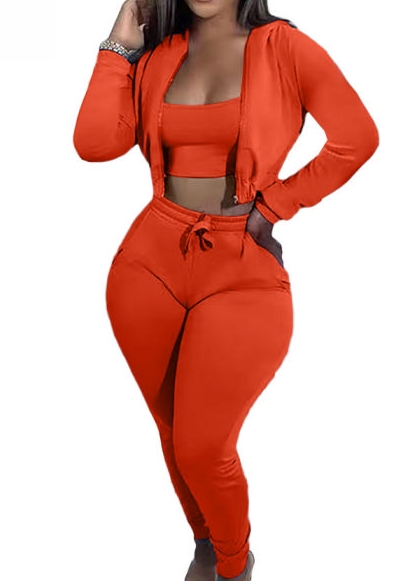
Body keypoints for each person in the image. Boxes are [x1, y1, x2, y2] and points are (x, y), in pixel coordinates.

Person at [72, 0, 379, 579]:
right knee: (172, 434)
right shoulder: (159, 55)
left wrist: (276, 205)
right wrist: (118, 47)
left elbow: (357, 138)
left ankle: (236, 567)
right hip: (148, 265)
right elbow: (93, 143)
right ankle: (206, 546)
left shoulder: (286, 48)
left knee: (202, 446)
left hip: (241, 270)